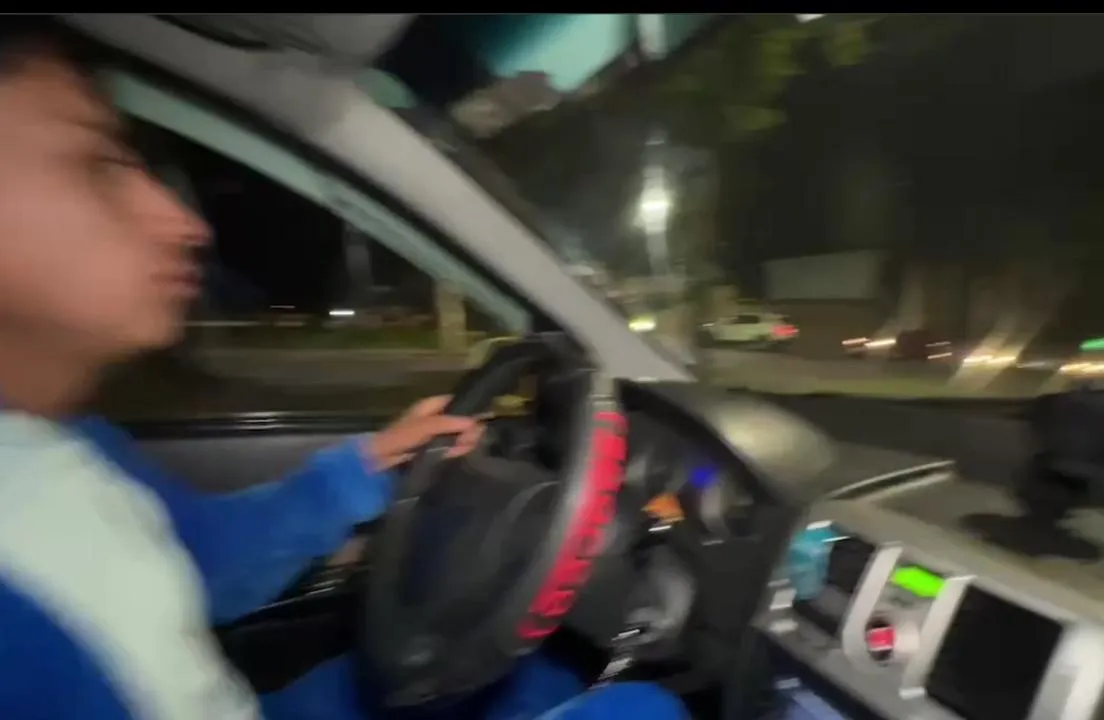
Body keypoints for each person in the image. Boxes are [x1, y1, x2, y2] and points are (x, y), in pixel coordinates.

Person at [0, 17, 685, 720]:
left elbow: (197, 563)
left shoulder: (66, 440)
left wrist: (367, 467)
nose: (186, 223)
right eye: (99, 164)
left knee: (543, 675)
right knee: (642, 713)